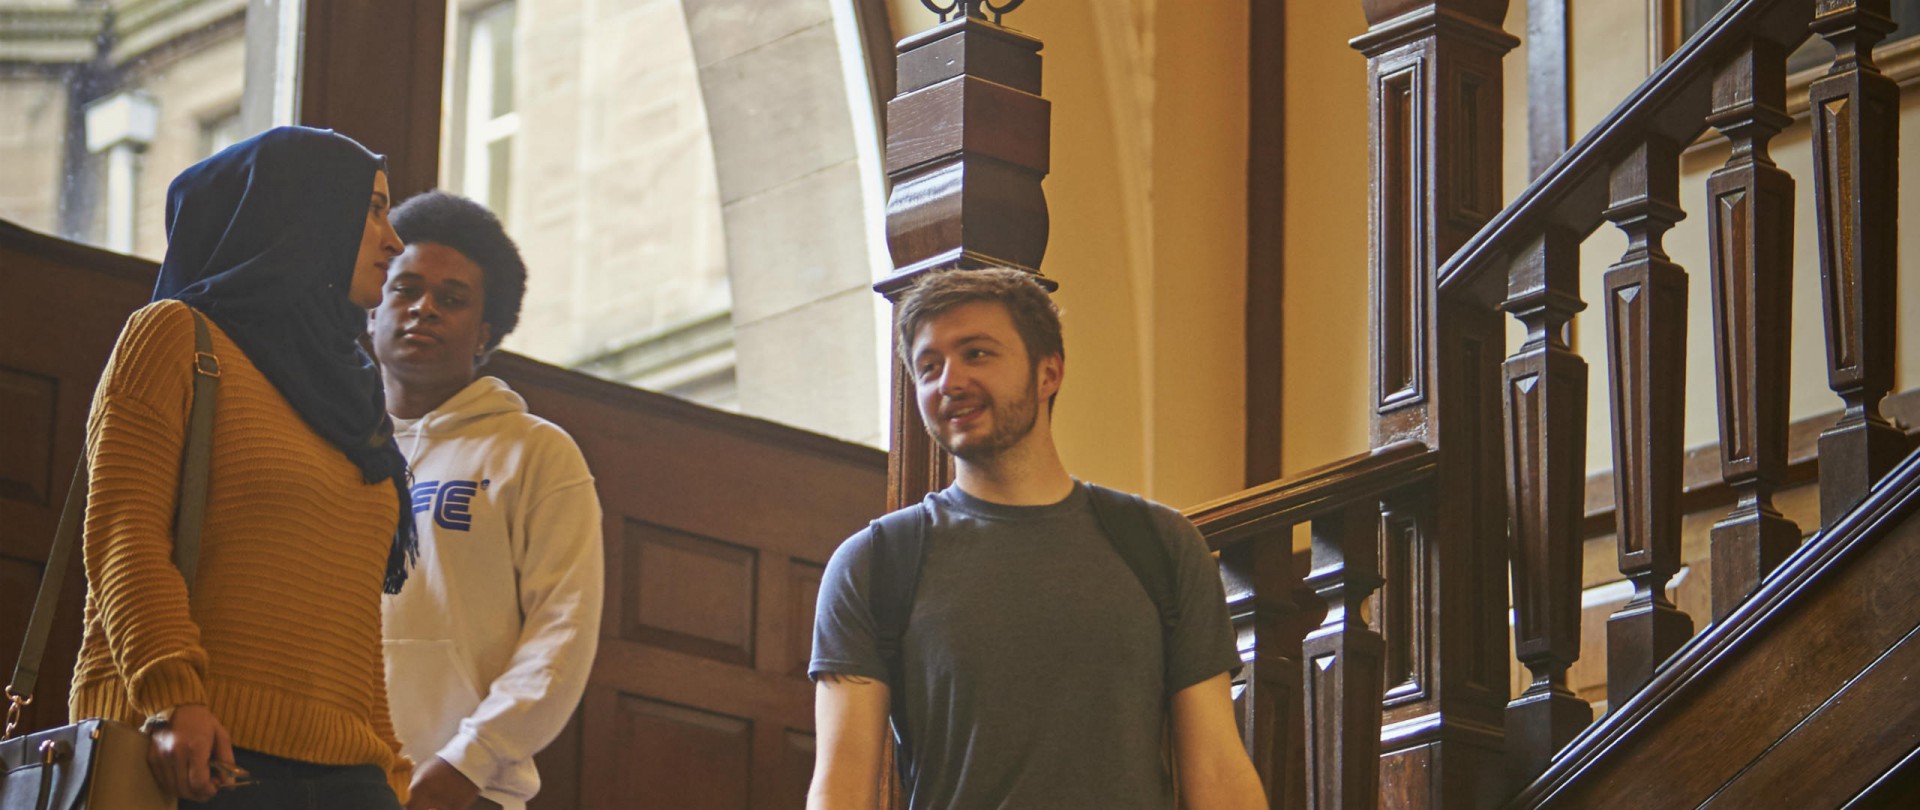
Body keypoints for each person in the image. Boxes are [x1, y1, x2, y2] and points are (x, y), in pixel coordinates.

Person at [807, 267, 1268, 809]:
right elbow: (840, 788)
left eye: (976, 353)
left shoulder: (1161, 544)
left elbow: (1216, 768)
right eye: (929, 367)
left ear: (1049, 373)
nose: (948, 382)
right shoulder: (874, 563)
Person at [69, 127, 416, 808]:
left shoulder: (352, 390)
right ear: (303, 211)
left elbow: (348, 615)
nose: (394, 240)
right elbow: (124, 538)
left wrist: (389, 767)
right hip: (197, 753)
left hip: (348, 775)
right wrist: (173, 699)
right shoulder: (172, 335)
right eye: (372, 208)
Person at [372, 191, 604, 810]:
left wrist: (466, 761)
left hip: (463, 792)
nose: (424, 309)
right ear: (372, 308)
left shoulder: (535, 453)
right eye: (405, 289)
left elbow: (563, 633)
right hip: (323, 780)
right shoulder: (328, 447)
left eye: (451, 299)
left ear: (485, 333)